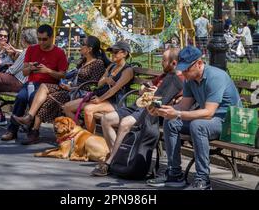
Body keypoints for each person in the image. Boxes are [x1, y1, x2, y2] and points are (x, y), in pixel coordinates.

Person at [147, 45, 241, 190]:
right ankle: (175, 174)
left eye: (186, 69)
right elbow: (183, 107)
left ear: (199, 63)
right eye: (182, 68)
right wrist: (162, 111)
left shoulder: (215, 77)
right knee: (170, 121)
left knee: (198, 125)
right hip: (208, 119)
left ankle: (202, 180)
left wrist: (177, 113)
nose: (183, 72)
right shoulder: (189, 79)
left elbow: (208, 113)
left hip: (227, 122)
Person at [91, 46, 183, 177]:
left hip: (150, 110)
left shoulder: (178, 79)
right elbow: (142, 88)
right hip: (138, 105)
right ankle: (119, 158)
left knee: (125, 123)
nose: (161, 62)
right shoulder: (164, 74)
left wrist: (159, 95)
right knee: (106, 119)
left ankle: (110, 162)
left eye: (163, 60)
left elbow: (176, 101)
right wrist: (146, 89)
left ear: (173, 63)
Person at [12, 35, 110, 144]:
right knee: (44, 87)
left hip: (82, 94)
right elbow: (70, 76)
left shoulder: (98, 64)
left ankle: (34, 129)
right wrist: (68, 85)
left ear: (89, 49)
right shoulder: (83, 61)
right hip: (72, 90)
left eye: (82, 44)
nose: (80, 46)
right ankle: (30, 119)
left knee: (49, 98)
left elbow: (93, 86)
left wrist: (72, 87)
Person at [0, 24, 68, 143]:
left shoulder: (59, 52)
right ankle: (12, 130)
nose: (41, 42)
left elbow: (62, 75)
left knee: (33, 98)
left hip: (49, 86)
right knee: (21, 97)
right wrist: (31, 68)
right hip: (31, 83)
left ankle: (32, 132)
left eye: (44, 39)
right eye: (39, 39)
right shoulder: (32, 49)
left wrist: (48, 71)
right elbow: (25, 73)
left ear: (52, 38)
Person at [63, 41, 134, 133]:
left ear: (124, 53)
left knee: (88, 109)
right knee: (67, 107)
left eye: (115, 52)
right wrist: (106, 79)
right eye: (111, 52)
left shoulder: (127, 70)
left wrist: (100, 99)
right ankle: (81, 130)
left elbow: (114, 90)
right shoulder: (112, 66)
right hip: (100, 96)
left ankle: (91, 138)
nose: (112, 54)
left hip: (115, 102)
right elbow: (99, 83)